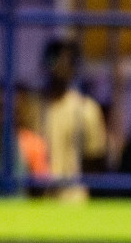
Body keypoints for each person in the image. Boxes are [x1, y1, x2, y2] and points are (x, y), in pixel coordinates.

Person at [39, 38, 108, 198]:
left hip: (73, 200)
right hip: (38, 200)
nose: (59, 68)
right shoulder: (33, 106)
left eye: (66, 63)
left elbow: (95, 159)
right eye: (55, 61)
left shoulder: (86, 109)